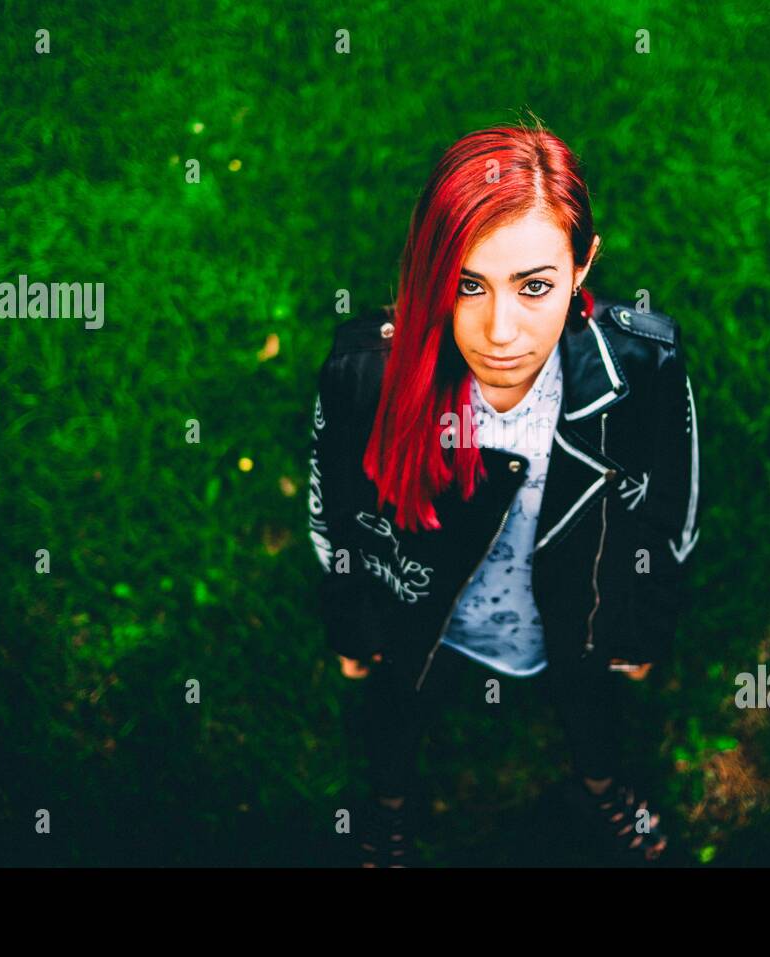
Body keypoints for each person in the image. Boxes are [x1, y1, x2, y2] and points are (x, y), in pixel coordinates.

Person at [306, 115, 702, 867]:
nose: (499, 330)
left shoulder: (643, 367)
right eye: (467, 285)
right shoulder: (366, 372)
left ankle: (600, 782)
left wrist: (642, 627)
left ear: (583, 266)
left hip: (572, 610)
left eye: (535, 286)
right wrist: (354, 628)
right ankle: (387, 808)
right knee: (396, 708)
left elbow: (670, 511)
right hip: (421, 607)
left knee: (590, 704)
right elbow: (335, 517)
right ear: (431, 273)